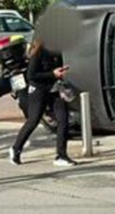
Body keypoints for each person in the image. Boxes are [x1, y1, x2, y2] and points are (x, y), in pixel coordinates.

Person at [9, 38, 77, 168]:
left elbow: (57, 69)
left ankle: (61, 155)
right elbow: (31, 75)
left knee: (63, 118)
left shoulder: (58, 51)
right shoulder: (40, 51)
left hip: (54, 88)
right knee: (33, 120)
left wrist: (61, 72)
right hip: (38, 90)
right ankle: (16, 148)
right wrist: (52, 73)